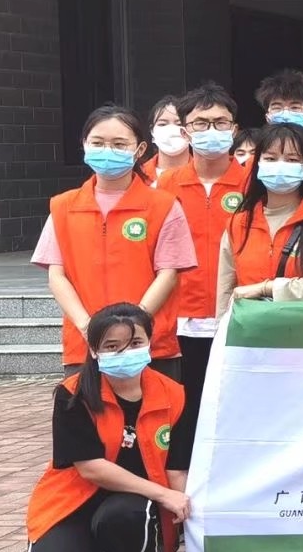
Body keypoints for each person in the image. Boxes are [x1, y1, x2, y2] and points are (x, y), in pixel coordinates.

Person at [25, 303, 186, 552]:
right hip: (76, 501)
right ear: (94, 350)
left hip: (133, 505)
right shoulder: (73, 395)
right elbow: (91, 468)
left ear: (150, 342)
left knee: (127, 513)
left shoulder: (174, 394)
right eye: (112, 346)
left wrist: (183, 515)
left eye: (135, 343)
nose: (125, 353)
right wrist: (164, 494)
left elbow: (176, 467)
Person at [38, 104, 197, 375]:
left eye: (119, 144)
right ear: (84, 145)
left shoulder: (164, 206)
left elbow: (168, 274)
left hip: (150, 345)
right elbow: (57, 275)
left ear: (140, 150)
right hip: (85, 346)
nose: (107, 150)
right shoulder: (63, 206)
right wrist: (88, 328)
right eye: (98, 143)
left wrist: (134, 328)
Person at [158, 85, 248, 480]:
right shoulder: (165, 186)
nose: (211, 130)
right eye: (200, 123)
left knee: (236, 408)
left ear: (234, 128)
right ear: (185, 131)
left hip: (239, 315)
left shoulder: (254, 183)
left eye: (220, 122)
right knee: (185, 409)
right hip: (182, 320)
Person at [218, 123, 303, 313]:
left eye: (292, 159)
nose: (280, 165)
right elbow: (225, 291)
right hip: (250, 329)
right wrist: (221, 327)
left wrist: (266, 288)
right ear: (257, 164)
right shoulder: (238, 223)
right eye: (270, 158)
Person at [139, 95, 191, 187]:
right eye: (162, 124)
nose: (171, 129)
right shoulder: (138, 174)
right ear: (152, 130)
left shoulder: (206, 173)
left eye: (179, 124)